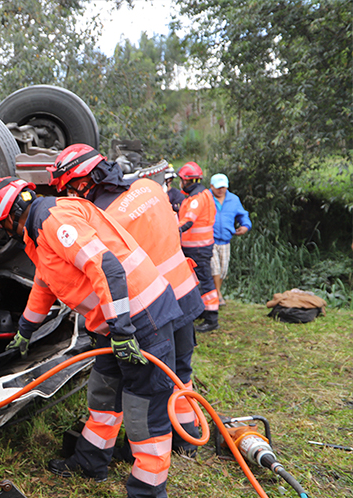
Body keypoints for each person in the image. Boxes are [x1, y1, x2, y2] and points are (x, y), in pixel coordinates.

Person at [0, 177, 181, 498]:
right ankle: (90, 462)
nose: (3, 232)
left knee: (143, 411)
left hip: (140, 320)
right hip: (113, 325)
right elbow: (45, 283)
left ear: (7, 219)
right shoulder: (37, 234)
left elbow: (108, 268)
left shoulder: (55, 221)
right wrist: (25, 330)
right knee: (103, 395)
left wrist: (122, 329)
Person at [48, 145, 204, 457]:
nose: (72, 196)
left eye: (71, 188)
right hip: (185, 291)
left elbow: (107, 270)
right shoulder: (149, 187)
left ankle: (142, 447)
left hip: (151, 308)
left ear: (85, 180)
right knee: (180, 373)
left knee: (147, 382)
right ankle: (188, 437)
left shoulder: (103, 218)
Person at [177, 162, 220, 332]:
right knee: (199, 280)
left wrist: (172, 230)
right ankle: (203, 311)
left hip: (198, 248)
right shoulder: (200, 195)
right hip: (197, 247)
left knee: (204, 280)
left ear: (188, 181)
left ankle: (211, 318)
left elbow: (188, 221)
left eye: (181, 180)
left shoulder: (197, 198)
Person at [209, 173, 251, 306]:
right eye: (218, 187)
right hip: (210, 240)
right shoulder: (206, 198)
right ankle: (218, 295)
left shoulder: (233, 199)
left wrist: (245, 226)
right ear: (211, 186)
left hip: (226, 240)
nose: (221, 190)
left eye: (223, 187)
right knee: (214, 268)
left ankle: (216, 293)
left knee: (222, 270)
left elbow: (242, 215)